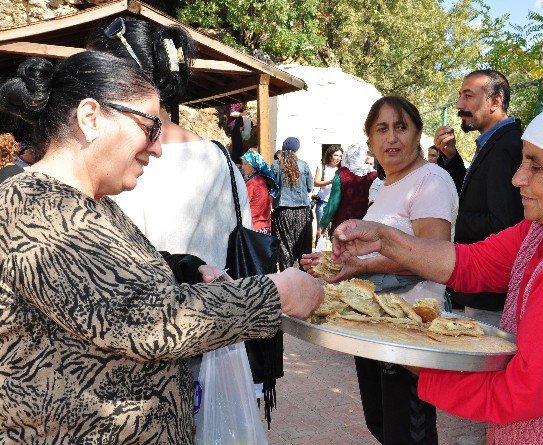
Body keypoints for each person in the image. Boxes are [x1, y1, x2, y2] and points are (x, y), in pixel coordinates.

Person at [0, 52, 323, 444]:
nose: (157, 148)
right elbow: (148, 320)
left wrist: (185, 269)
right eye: (150, 127)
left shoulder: (86, 203)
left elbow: (110, 282)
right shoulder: (37, 208)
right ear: (90, 118)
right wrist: (276, 293)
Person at [332, 103, 543, 444]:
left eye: (535, 167)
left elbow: (518, 393)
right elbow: (471, 264)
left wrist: (401, 351)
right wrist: (384, 239)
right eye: (523, 160)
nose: (517, 177)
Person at [87, 18, 271, 439]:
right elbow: (241, 237)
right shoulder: (220, 160)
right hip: (213, 338)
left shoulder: (109, 166)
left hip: (131, 356)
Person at [302, 96, 459, 445]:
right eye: (382, 129)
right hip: (375, 327)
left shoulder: (430, 179)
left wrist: (358, 265)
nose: (392, 138)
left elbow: (434, 255)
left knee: (408, 433)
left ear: (418, 133)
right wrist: (337, 261)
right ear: (370, 139)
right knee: (383, 426)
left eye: (401, 127)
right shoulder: (384, 187)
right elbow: (375, 250)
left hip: (410, 331)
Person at [433, 69, 524, 325]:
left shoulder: (507, 147)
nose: (459, 105)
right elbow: (476, 197)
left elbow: (503, 223)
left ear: (496, 101)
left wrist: (447, 223)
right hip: (483, 288)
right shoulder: (494, 143)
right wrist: (451, 157)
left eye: (468, 96)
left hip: (492, 293)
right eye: (460, 96)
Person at [271, 136, 314, 270]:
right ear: (297, 149)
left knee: (285, 248)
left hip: (283, 212)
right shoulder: (304, 165)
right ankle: (304, 279)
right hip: (302, 211)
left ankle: (288, 280)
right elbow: (310, 187)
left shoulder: (276, 165)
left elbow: (272, 187)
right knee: (304, 250)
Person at [319, 142, 377, 233]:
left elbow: (333, 203)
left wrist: (323, 225)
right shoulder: (374, 175)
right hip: (365, 226)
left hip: (343, 225)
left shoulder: (341, 173)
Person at [241, 150, 278, 234]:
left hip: (253, 227)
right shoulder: (265, 180)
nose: (242, 167)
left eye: (245, 164)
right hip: (265, 227)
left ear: (253, 166)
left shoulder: (252, 183)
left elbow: (243, 204)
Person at [313, 145, 343, 238]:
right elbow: (316, 182)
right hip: (323, 202)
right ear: (330, 155)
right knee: (320, 231)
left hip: (335, 204)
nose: (339, 158)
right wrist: (330, 181)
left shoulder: (341, 170)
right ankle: (319, 251)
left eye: (340, 156)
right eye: (336, 155)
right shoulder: (322, 167)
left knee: (335, 232)